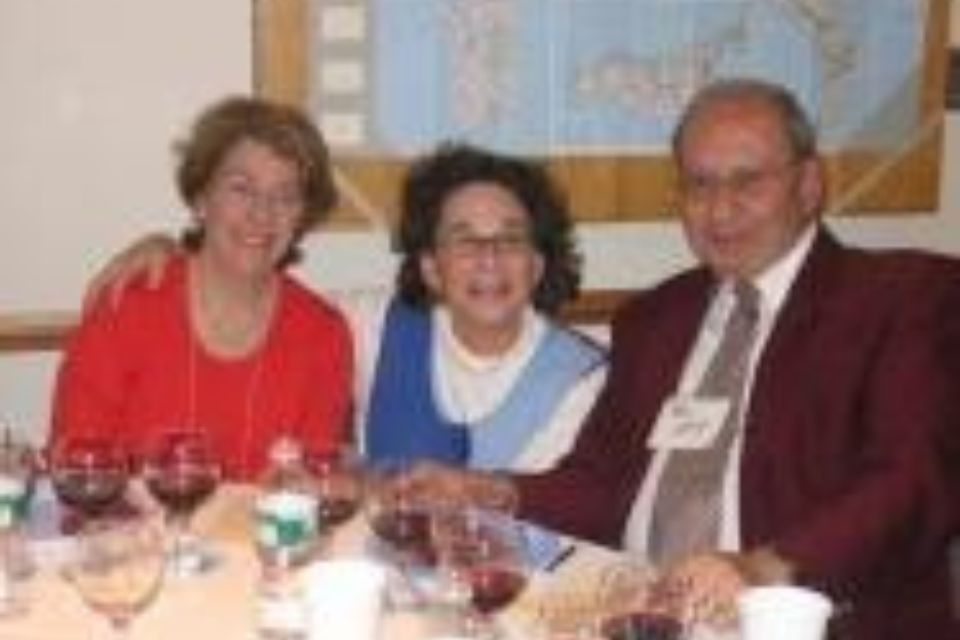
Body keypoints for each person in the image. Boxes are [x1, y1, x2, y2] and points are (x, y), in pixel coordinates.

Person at [405, 78, 960, 640]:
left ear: (809, 184)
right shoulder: (655, 319)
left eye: (747, 181)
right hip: (644, 613)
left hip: (806, 620)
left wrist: (761, 567)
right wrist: (495, 491)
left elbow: (914, 482)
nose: (720, 209)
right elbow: (602, 479)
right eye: (699, 185)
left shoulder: (902, 298)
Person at [84, 142, 606, 473]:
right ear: (429, 267)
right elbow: (253, 290)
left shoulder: (583, 377)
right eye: (464, 239)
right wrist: (175, 252)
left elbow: (568, 517)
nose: (489, 259)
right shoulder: (373, 325)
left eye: (510, 240)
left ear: (538, 264)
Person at [51, 96, 354, 480]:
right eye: (241, 188)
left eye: (285, 196)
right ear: (200, 198)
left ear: (302, 215)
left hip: (259, 540)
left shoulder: (323, 335)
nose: (262, 213)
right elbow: (75, 468)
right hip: (126, 538)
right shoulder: (127, 305)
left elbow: (308, 491)